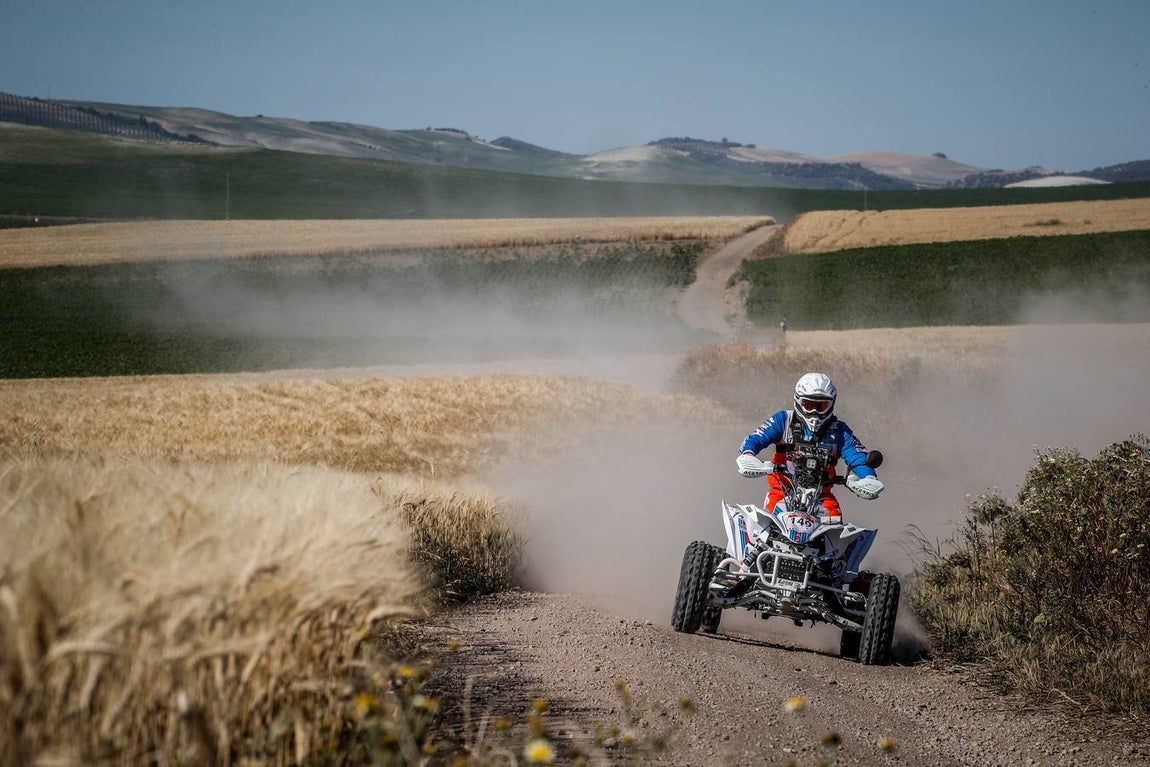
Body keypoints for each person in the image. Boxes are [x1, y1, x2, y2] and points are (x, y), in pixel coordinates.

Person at [735, 372, 883, 525]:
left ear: (831, 404)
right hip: (782, 492)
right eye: (809, 405)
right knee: (762, 524)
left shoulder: (839, 430)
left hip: (823, 499)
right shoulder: (784, 420)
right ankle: (750, 548)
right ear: (798, 401)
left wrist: (868, 478)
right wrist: (748, 454)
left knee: (837, 530)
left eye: (821, 406)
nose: (814, 412)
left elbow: (858, 456)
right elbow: (756, 438)